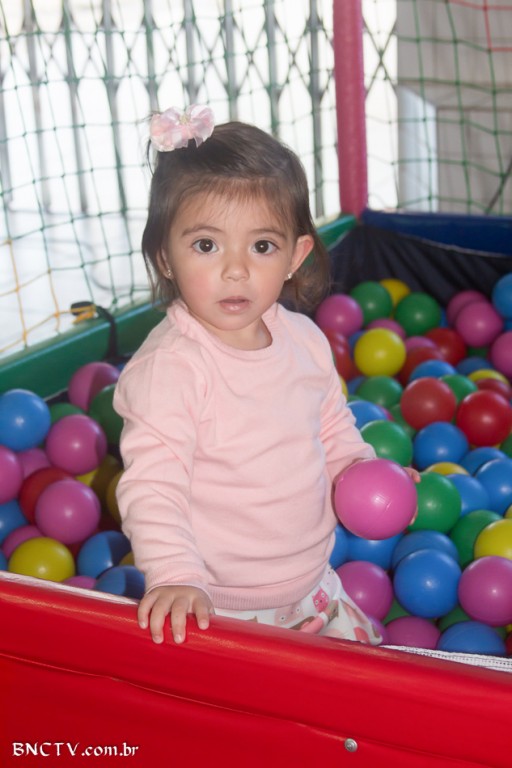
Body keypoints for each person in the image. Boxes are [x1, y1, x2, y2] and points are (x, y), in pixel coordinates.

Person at [114, 104, 418, 646]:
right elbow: (153, 485)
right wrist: (176, 575)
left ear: (296, 255)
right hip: (218, 607)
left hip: (315, 587)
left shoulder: (304, 340)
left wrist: (363, 472)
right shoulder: (172, 369)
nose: (236, 269)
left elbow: (332, 428)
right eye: (206, 245)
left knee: (354, 692)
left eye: (262, 246)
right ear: (164, 256)